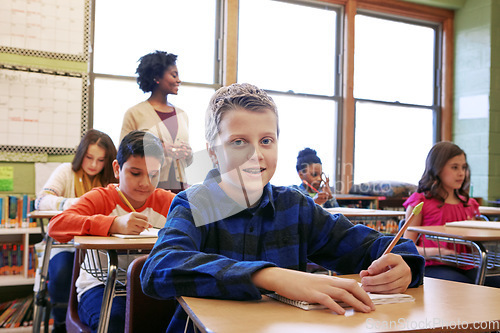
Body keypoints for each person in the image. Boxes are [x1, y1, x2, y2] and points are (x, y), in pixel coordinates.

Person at [141, 83, 425, 333]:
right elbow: (158, 268)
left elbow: (371, 247)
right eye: (238, 142)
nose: (256, 154)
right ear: (213, 152)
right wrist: (271, 277)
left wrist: (404, 266)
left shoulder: (296, 207)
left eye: (266, 141)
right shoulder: (196, 203)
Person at [48, 130, 176, 333]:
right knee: (115, 321)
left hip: (147, 285)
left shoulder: (167, 201)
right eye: (135, 173)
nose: (145, 183)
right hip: (99, 286)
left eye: (153, 175)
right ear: (117, 169)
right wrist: (113, 224)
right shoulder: (101, 198)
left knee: (175, 317)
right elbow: (56, 226)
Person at [35, 129, 117, 333]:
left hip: (96, 248)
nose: (93, 165)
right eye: (89, 157)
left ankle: (85, 317)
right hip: (64, 243)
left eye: (100, 160)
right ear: (81, 154)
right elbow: (42, 200)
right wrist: (74, 204)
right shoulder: (66, 171)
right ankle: (61, 322)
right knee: (63, 270)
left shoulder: (109, 180)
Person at [403, 141, 499, 286]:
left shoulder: (469, 204)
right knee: (463, 286)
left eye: (464, 167)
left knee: (494, 281)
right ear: (437, 168)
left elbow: (474, 243)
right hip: (432, 265)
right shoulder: (420, 202)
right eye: (454, 167)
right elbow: (407, 246)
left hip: (466, 264)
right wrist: (437, 251)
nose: (461, 173)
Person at [120, 50, 192, 192]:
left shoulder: (182, 115)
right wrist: (158, 149)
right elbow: (123, 154)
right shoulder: (135, 113)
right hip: (148, 187)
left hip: (180, 189)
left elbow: (188, 162)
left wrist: (188, 154)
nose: (179, 80)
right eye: (174, 75)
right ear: (157, 77)